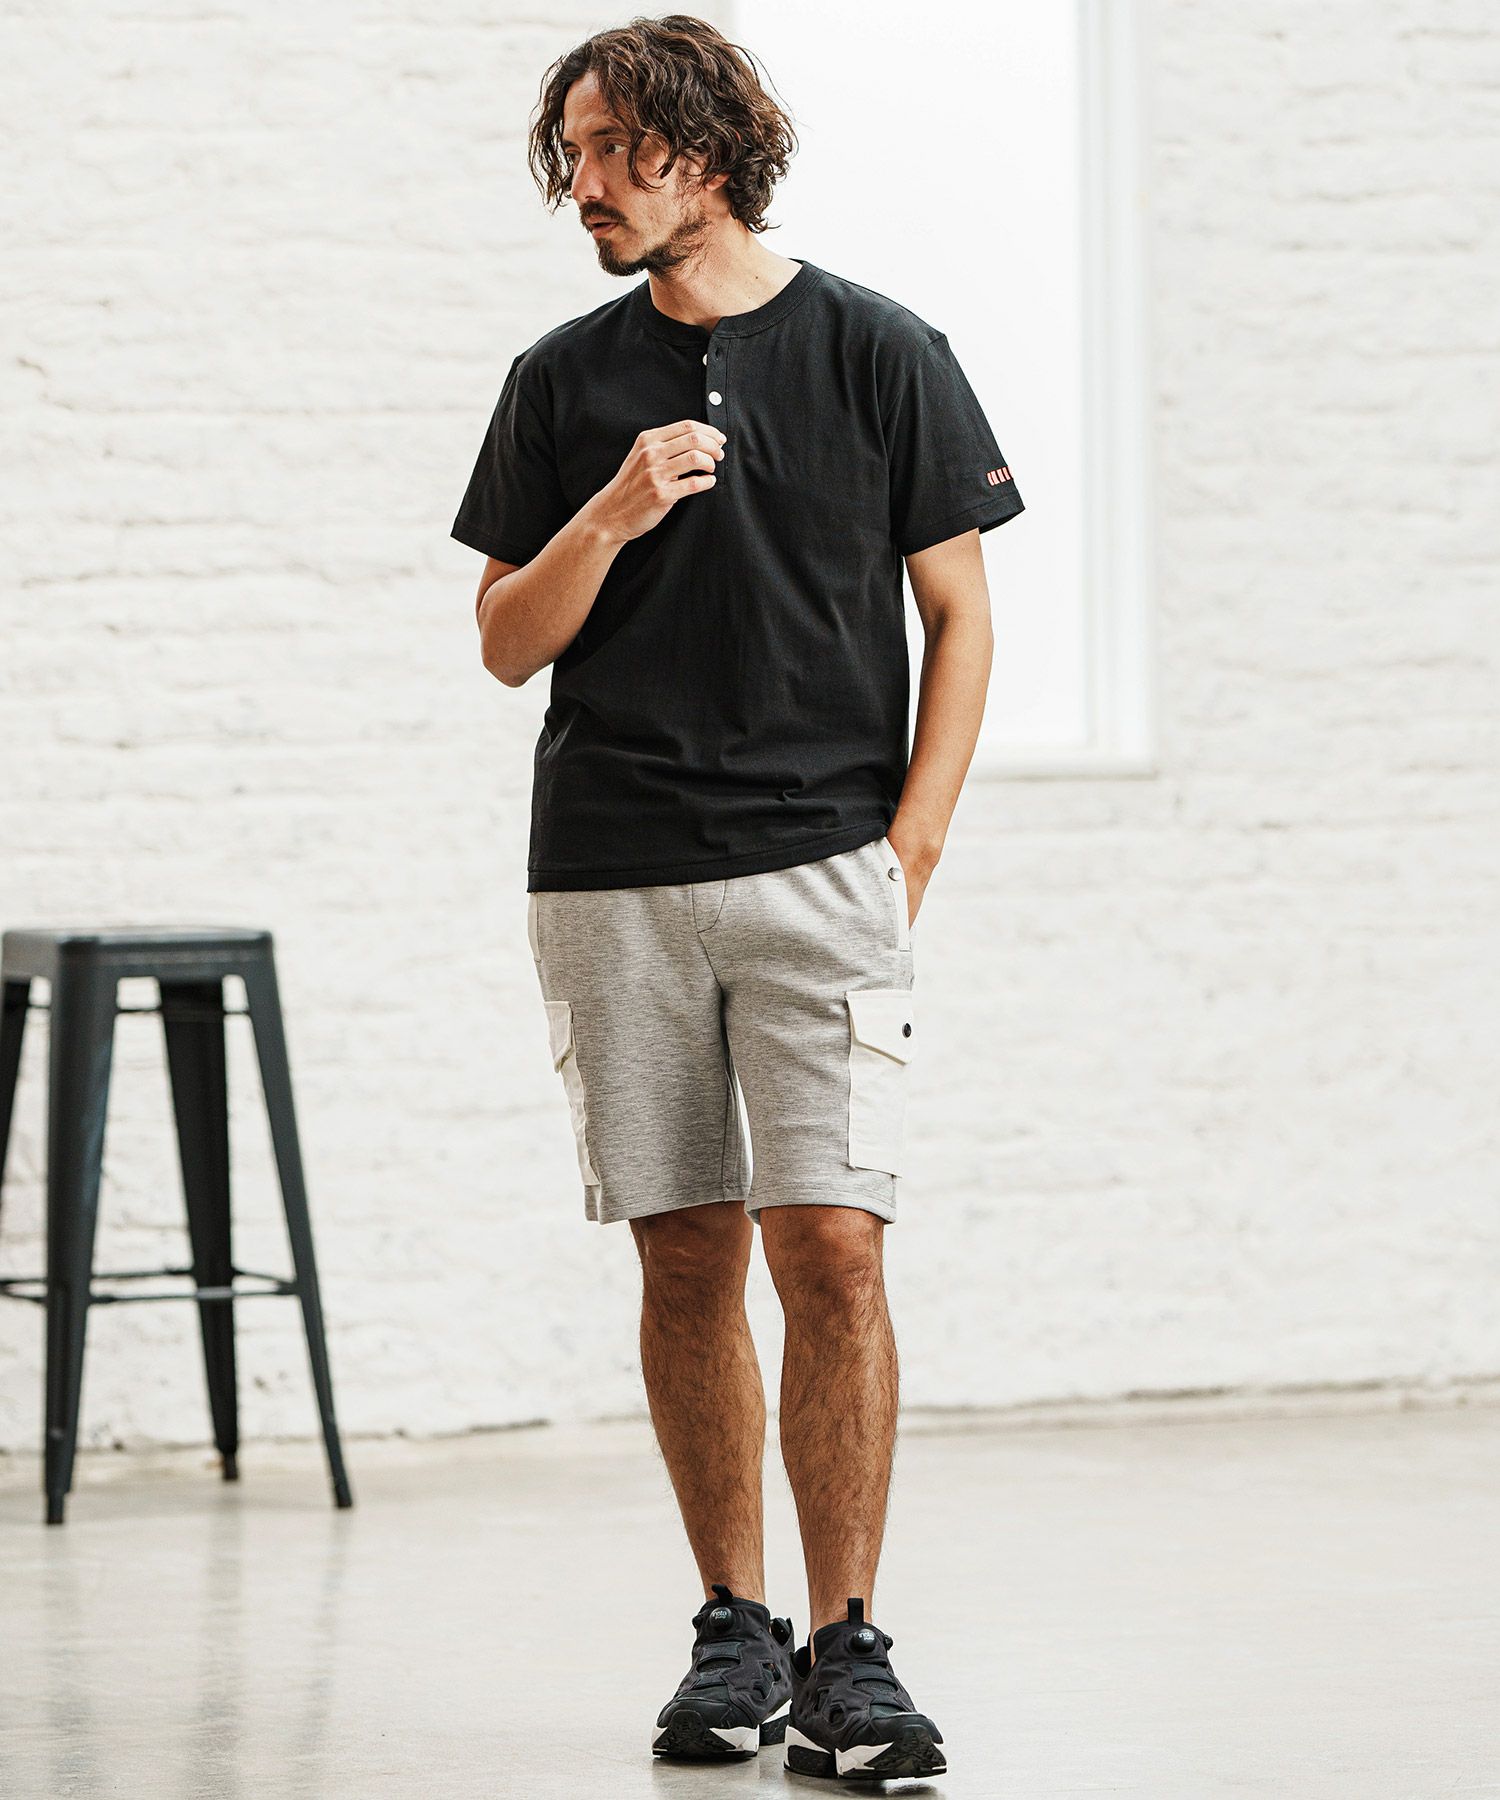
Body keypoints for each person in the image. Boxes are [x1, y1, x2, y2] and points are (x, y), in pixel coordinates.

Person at [451, 14, 1023, 1783]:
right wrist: (611, 515)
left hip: (823, 869)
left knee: (833, 1247)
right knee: (685, 1250)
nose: (586, 184)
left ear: (706, 150)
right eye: (571, 152)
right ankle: (733, 1628)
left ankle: (850, 1650)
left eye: (614, 147)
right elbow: (505, 642)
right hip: (611, 873)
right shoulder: (561, 380)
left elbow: (960, 614)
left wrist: (912, 846)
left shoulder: (881, 351)